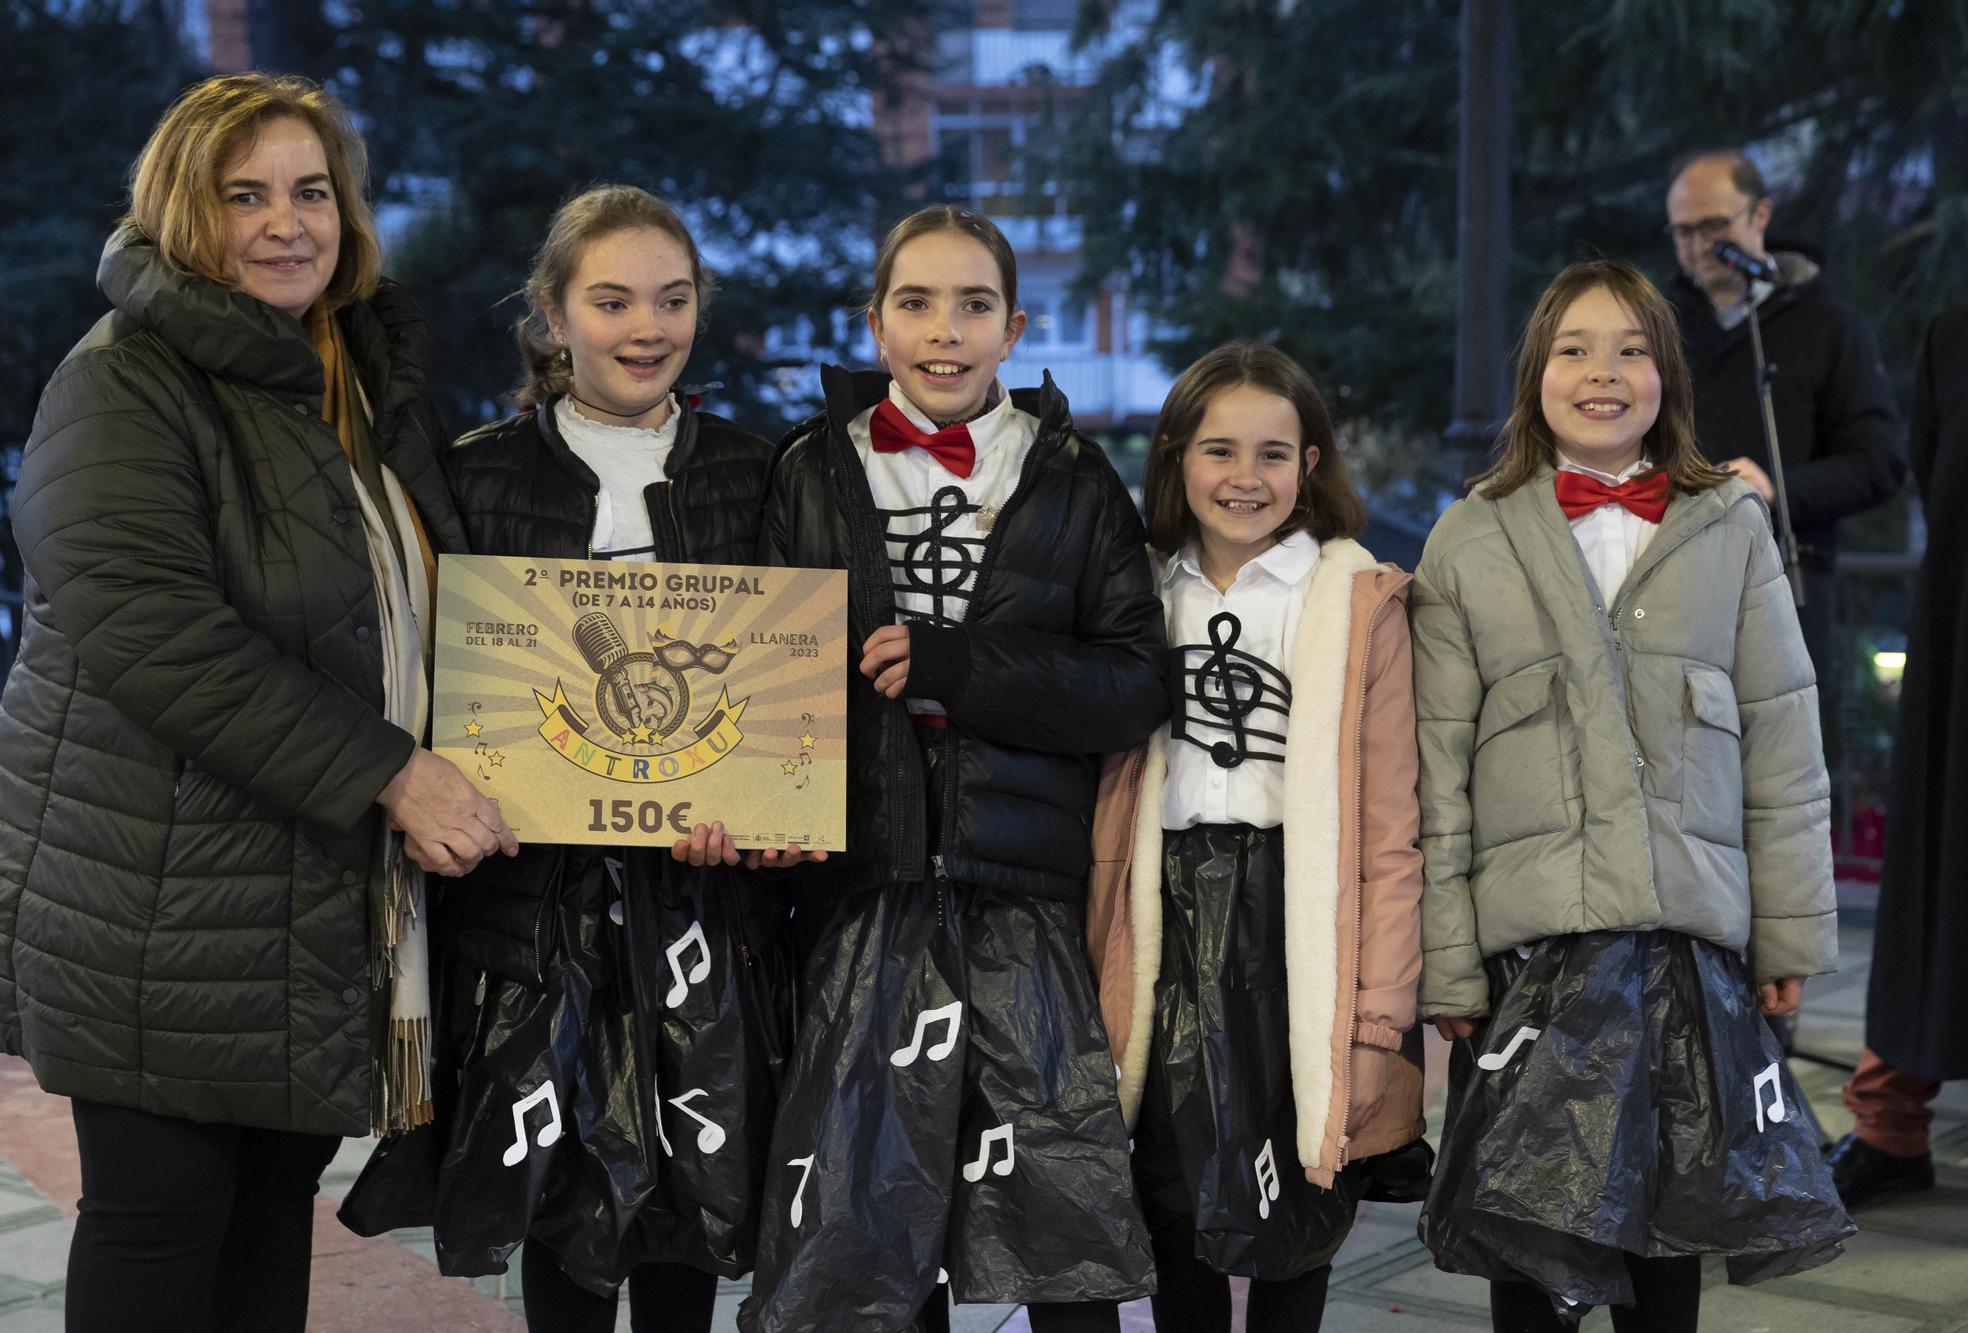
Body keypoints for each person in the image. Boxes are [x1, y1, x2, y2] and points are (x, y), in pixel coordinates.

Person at [0, 73, 515, 1333]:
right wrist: (392, 770)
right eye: (245, 195)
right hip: (150, 886)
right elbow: (155, 635)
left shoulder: (348, 371)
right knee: (160, 1229)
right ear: (179, 212)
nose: (286, 223)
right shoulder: (122, 382)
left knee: (269, 1228)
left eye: (311, 192)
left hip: (298, 893)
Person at [737, 204, 1165, 1333]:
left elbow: (1133, 686)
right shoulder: (804, 471)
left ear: (1014, 325)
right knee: (869, 1237)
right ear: (872, 322)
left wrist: (963, 666)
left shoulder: (1074, 478)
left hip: (1022, 894)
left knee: (1060, 1228)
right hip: (857, 888)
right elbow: (754, 678)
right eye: (916, 303)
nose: (944, 330)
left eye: (973, 304)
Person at [1413, 258, 1853, 1330]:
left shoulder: (1728, 527)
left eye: (1629, 349)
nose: (1600, 372)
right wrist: (1447, 961)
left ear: (1669, 374)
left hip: (1686, 949)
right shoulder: (1469, 537)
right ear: (1534, 375)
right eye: (1571, 348)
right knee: (1531, 1246)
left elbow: (1782, 745)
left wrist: (1786, 937)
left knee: (1670, 1242)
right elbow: (1433, 775)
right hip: (1533, 958)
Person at [422, 184, 812, 1331]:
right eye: (611, 300)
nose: (646, 326)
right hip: (534, 904)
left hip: (707, 900)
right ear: (551, 316)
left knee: (690, 1189)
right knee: (565, 1196)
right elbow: (446, 684)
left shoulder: (761, 469)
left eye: (672, 298)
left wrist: (778, 810)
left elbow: (795, 697)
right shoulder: (473, 473)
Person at [1087, 341, 1425, 1333]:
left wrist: (1376, 1025)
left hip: (1295, 923)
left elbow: (1391, 834)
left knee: (1299, 1201)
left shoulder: (1355, 601)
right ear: (1174, 459)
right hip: (1162, 919)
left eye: (1272, 453)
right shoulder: (1134, 593)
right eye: (1217, 450)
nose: (1244, 478)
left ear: (1311, 463)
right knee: (1168, 1194)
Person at [1662, 149, 1905, 726]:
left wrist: (1775, 489)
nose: (1699, 244)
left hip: (1786, 579)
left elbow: (1881, 463)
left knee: (1780, 771)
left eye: (1714, 225)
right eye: (1683, 231)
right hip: (1671, 579)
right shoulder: (1656, 327)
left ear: (1760, 215)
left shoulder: (1829, 326)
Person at [1831, 305, 1968, 1206]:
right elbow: (1933, 462)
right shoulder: (1951, 328)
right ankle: (1892, 1124)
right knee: (1936, 863)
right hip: (1962, 624)